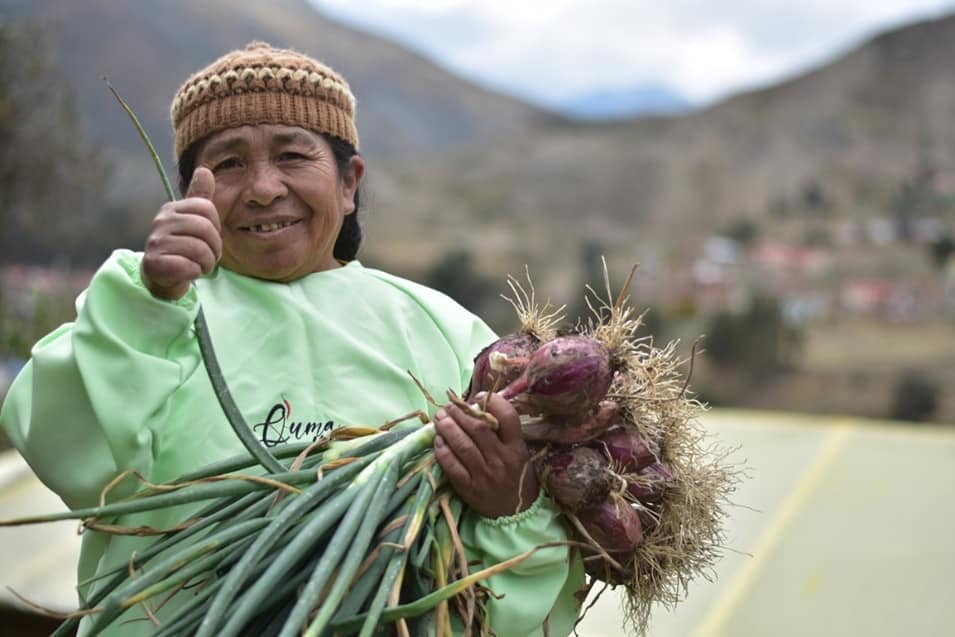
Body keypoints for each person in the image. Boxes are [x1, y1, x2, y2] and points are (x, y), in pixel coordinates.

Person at [0, 42, 583, 635]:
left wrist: (514, 506)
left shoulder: (446, 333)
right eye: (228, 164)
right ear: (187, 194)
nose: (261, 188)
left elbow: (515, 584)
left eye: (292, 156)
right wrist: (151, 301)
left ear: (349, 183)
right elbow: (61, 447)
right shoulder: (147, 303)